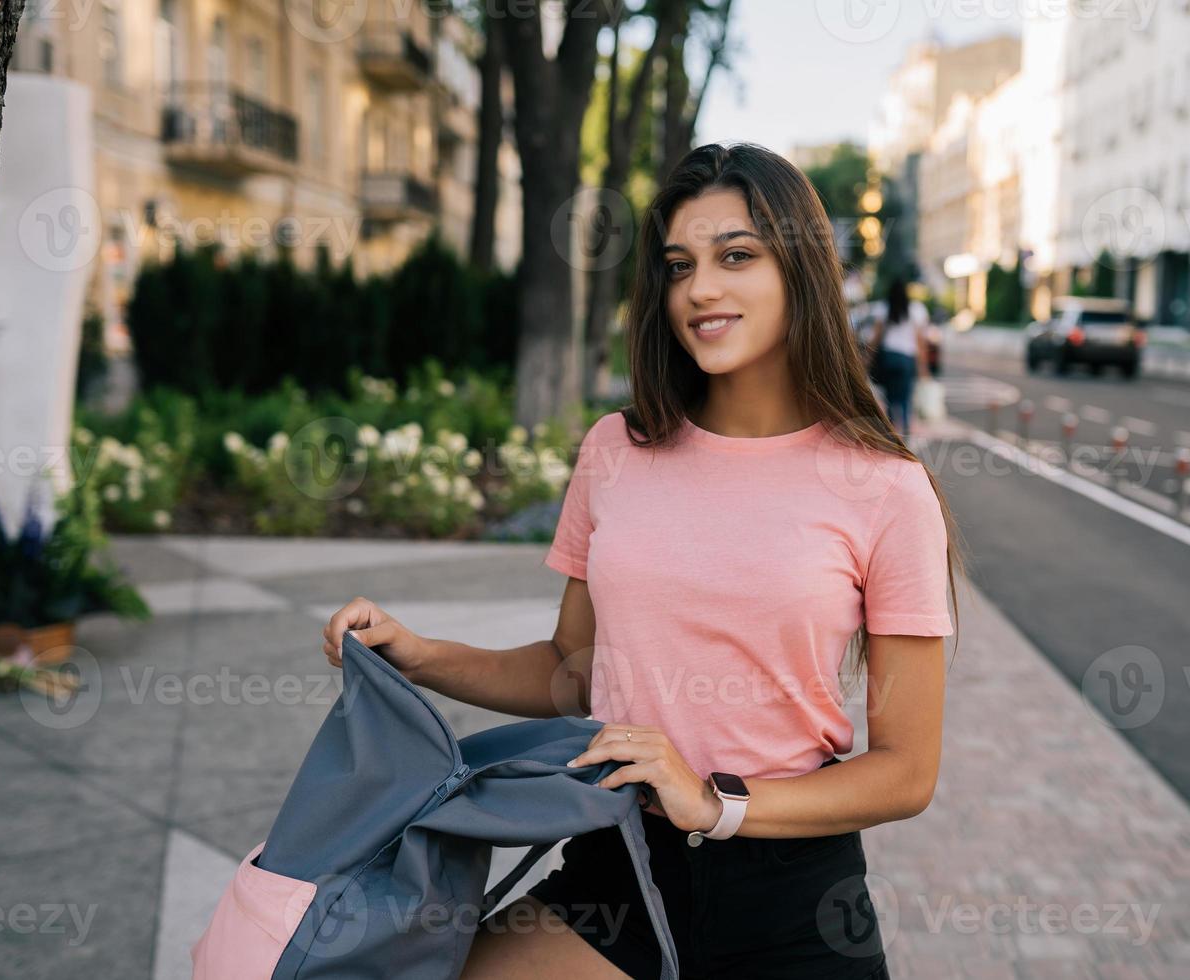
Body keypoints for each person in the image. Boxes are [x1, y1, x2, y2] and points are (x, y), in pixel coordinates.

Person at [321, 142, 964, 980]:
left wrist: (714, 802)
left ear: (799, 272)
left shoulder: (885, 487)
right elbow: (571, 669)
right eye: (677, 265)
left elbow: (906, 772)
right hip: (614, 867)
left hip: (792, 900)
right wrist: (416, 653)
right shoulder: (617, 449)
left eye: (737, 256)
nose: (700, 289)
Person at [869, 279, 932, 437]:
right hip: (907, 359)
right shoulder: (915, 309)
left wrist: (867, 358)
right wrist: (923, 366)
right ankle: (905, 432)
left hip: (888, 357)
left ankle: (891, 435)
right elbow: (920, 341)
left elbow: (875, 338)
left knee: (890, 397)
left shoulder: (883, 308)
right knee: (905, 398)